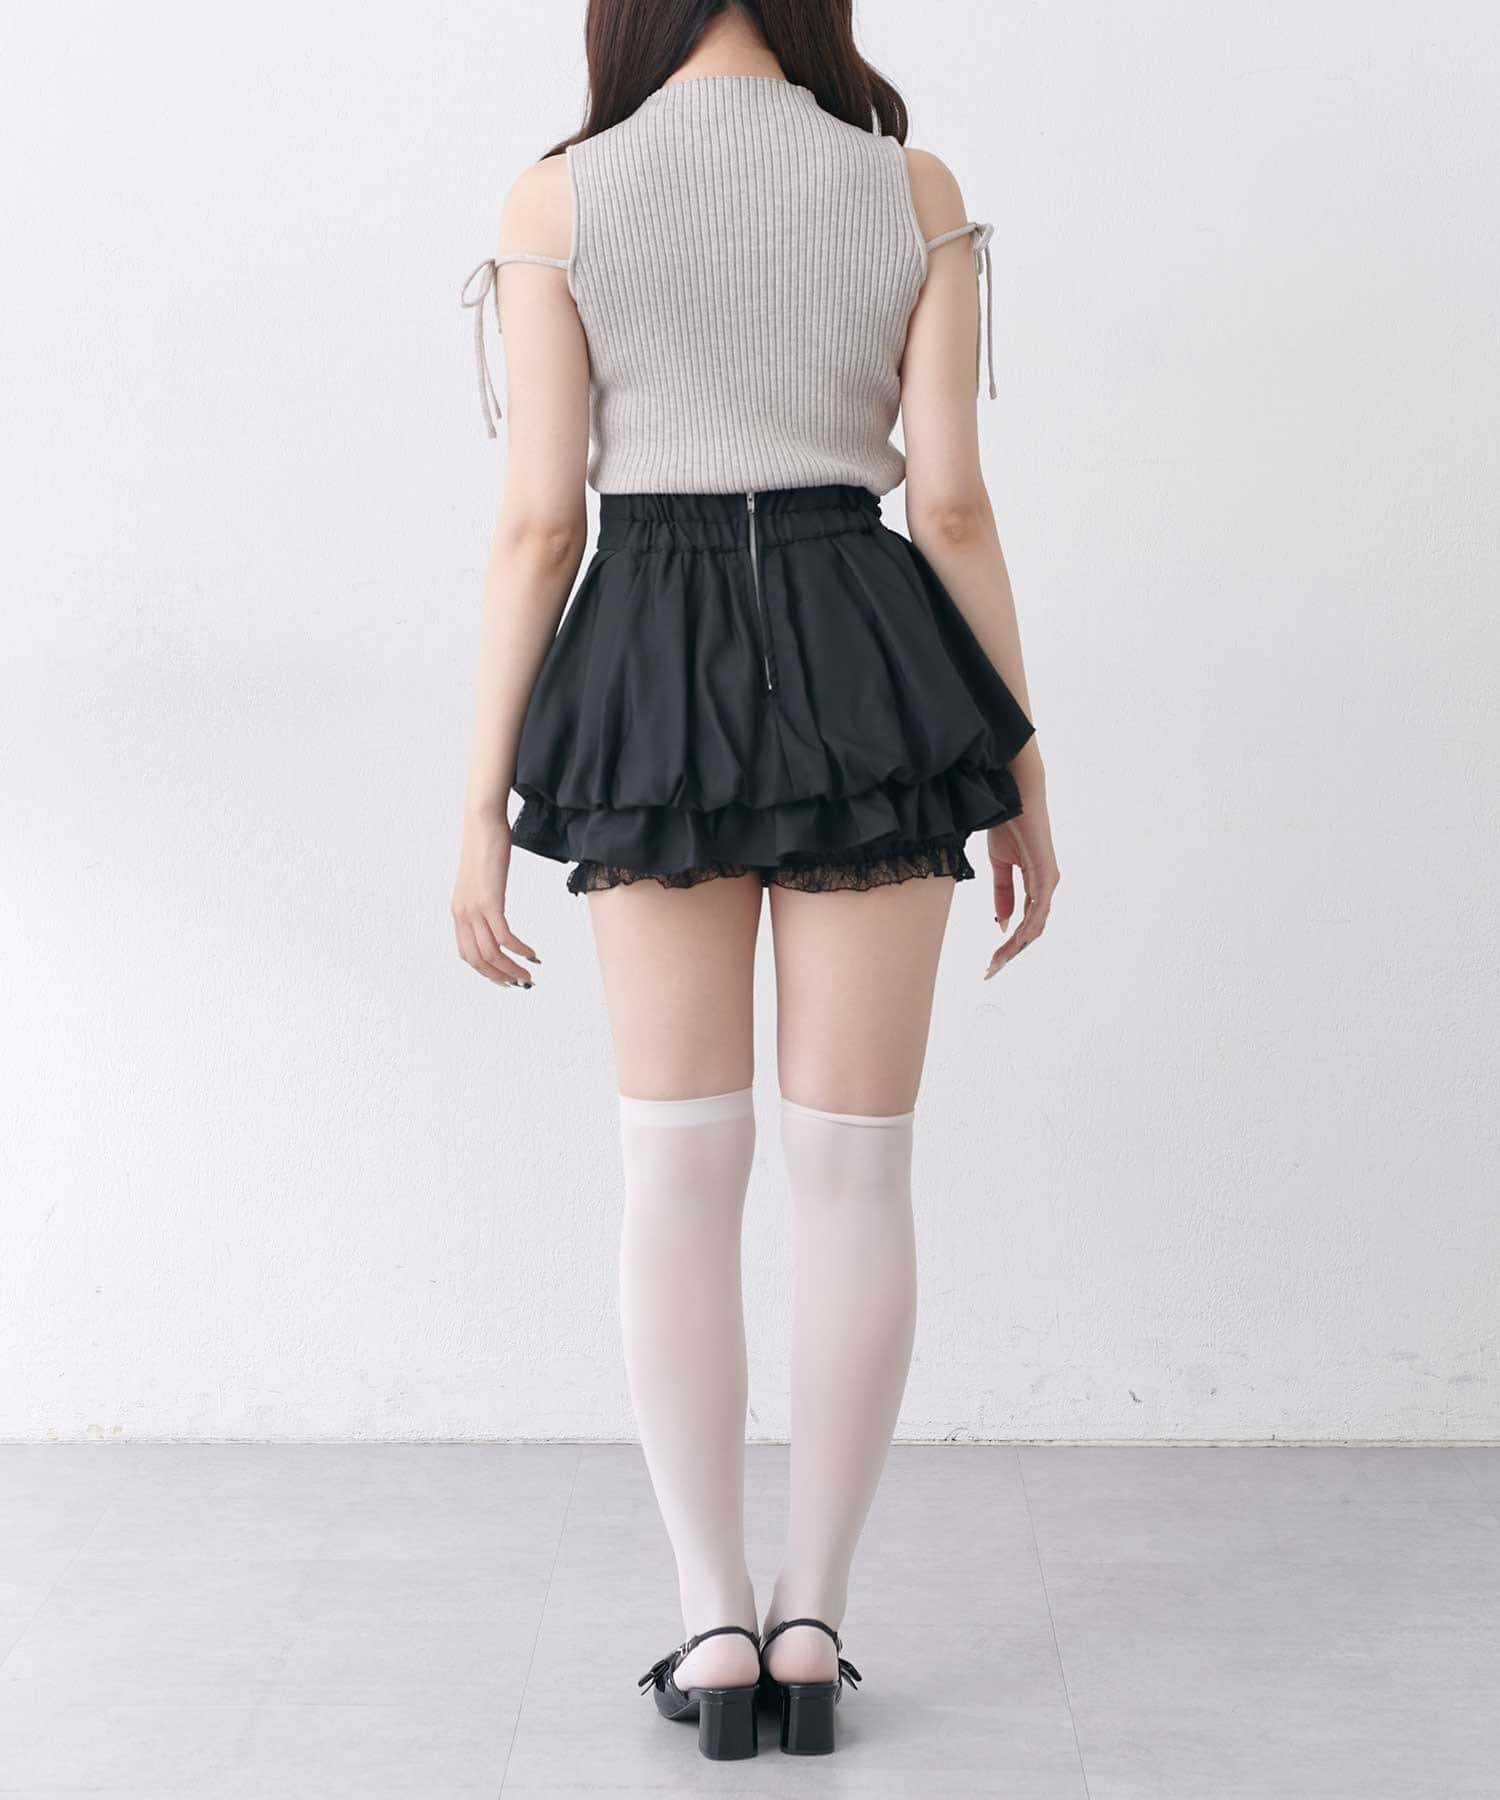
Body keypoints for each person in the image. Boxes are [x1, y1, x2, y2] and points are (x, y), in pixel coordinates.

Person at [451, 0, 1059, 1762]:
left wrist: (482, 801)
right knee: (856, 1172)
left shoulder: (561, 200)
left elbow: (540, 523)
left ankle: (714, 1623)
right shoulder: (909, 189)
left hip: (646, 664)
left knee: (677, 1168)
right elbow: (951, 505)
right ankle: (811, 1623)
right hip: (869, 657)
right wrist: (1019, 767)